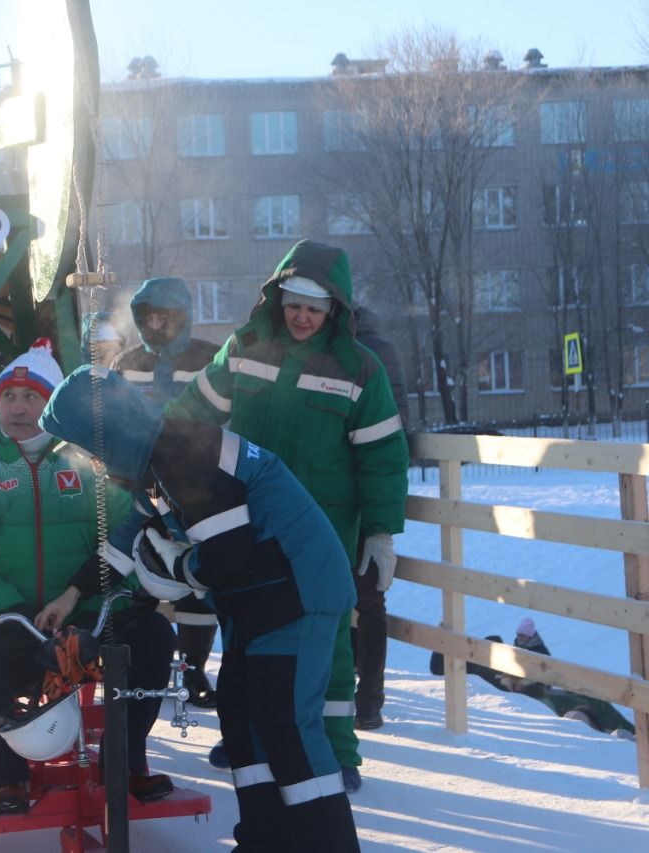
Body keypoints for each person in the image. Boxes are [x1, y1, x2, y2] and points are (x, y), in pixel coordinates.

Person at [41, 365, 360, 852]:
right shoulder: (156, 462)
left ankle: (328, 843)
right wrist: (73, 596)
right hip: (258, 604)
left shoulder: (186, 457)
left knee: (287, 725)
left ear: (105, 437)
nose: (91, 462)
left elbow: (227, 557)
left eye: (87, 448)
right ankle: (263, 839)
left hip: (298, 593)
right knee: (239, 716)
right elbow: (129, 539)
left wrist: (176, 571)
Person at [164, 240, 410, 793]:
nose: (302, 317)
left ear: (335, 311)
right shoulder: (246, 347)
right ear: (277, 298)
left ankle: (337, 752)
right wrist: (153, 447)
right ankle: (246, 735)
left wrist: (380, 532)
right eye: (294, 304)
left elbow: (383, 457)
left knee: (327, 635)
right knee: (245, 625)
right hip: (247, 519)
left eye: (315, 309)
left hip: (323, 526)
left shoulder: (358, 369)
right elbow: (191, 415)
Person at [0, 340, 176, 816]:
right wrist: (9, 607)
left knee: (155, 635)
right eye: (9, 397)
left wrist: (111, 603)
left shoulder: (88, 466)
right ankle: (8, 776)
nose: (17, 408)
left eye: (31, 397)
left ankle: (125, 762)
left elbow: (129, 533)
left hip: (78, 622)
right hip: (2, 618)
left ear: (51, 404)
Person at [111, 276, 225, 708]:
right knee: (141, 568)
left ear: (183, 315)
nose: (157, 324)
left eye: (166, 315)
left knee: (198, 577)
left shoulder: (209, 359)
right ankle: (142, 669)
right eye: (148, 316)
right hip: (140, 479)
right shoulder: (128, 361)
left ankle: (194, 671)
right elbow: (115, 419)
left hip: (200, 481)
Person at [350, 304, 410, 731]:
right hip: (370, 486)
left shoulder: (359, 353)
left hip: (351, 487)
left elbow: (391, 424)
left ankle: (363, 693)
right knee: (368, 598)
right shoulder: (383, 347)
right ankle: (368, 698)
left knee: (354, 598)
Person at [430, 617, 634, 737]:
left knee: (589, 699)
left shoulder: (501, 656)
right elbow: (437, 668)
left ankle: (631, 734)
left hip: (537, 691)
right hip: (534, 697)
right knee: (586, 704)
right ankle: (629, 735)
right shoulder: (475, 669)